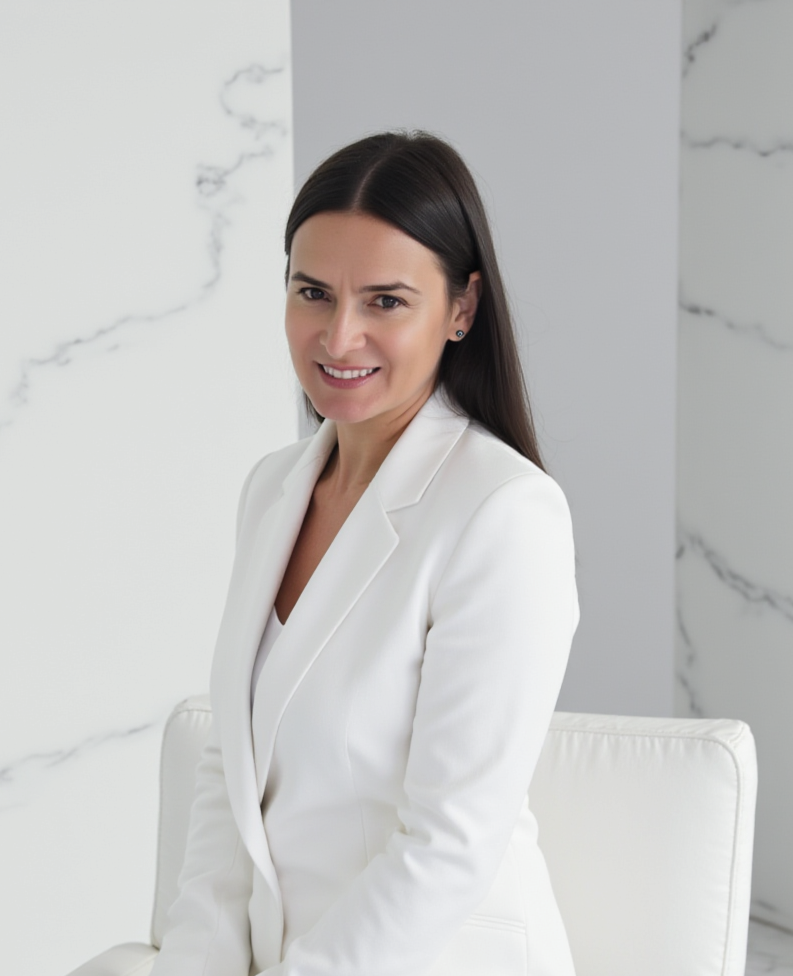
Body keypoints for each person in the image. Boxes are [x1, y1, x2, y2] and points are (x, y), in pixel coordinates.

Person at [151, 131, 579, 976]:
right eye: (313, 292)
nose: (339, 338)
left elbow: (449, 845)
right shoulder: (272, 490)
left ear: (462, 308)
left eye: (385, 302)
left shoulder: (505, 514)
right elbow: (229, 781)